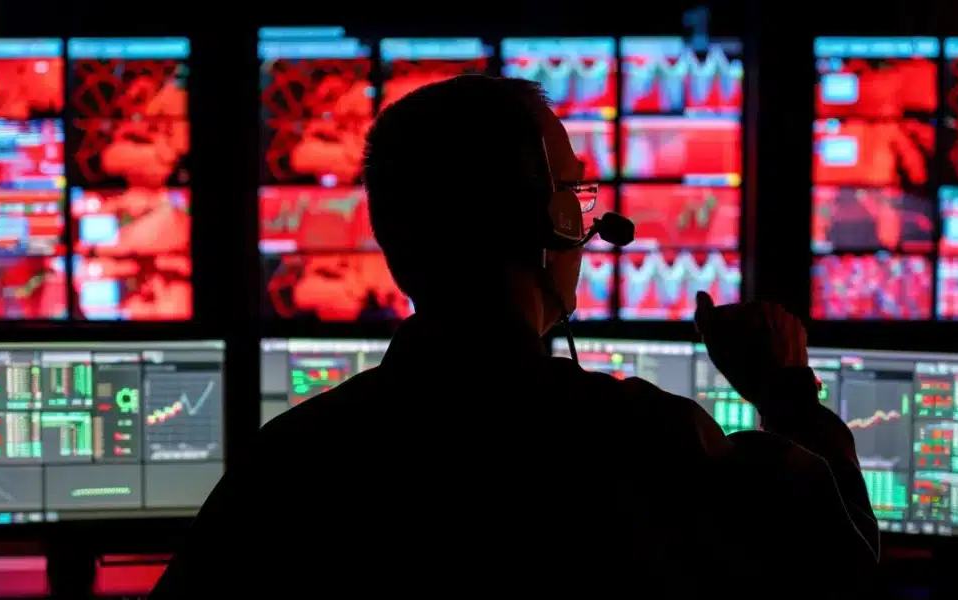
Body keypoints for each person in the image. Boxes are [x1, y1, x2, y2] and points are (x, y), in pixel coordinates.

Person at [152, 75, 878, 597]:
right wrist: (785, 391)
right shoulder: (650, 439)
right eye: (572, 192)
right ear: (555, 223)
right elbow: (840, 573)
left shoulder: (289, 461)